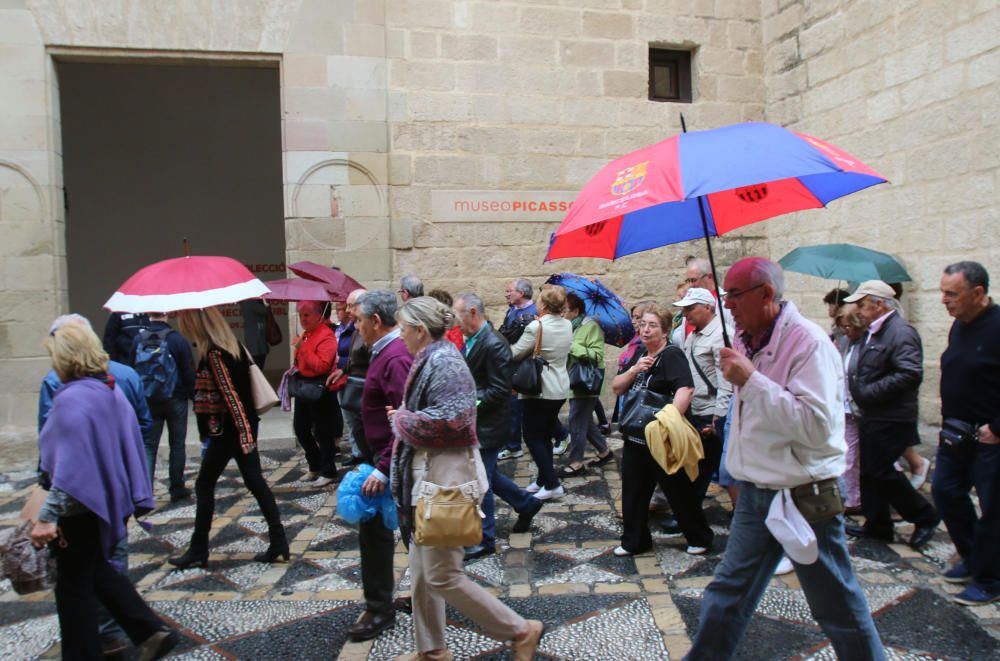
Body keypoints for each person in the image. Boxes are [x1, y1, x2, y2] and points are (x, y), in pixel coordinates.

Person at [685, 257, 883, 660]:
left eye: (735, 295)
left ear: (767, 294)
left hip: (806, 494)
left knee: (837, 607)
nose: (729, 304)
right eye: (725, 295)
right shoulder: (742, 338)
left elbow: (815, 425)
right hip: (758, 490)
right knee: (726, 596)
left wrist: (750, 380)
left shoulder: (809, 342)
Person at [389, 296, 544, 661]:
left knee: (442, 575)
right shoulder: (432, 356)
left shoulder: (443, 361)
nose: (400, 336)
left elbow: (452, 421)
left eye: (403, 329)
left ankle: (521, 630)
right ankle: (432, 650)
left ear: (420, 331)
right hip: (428, 476)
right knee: (422, 571)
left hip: (445, 479)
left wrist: (402, 419)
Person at [30, 322, 180, 660]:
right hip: (105, 499)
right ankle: (149, 630)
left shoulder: (72, 400)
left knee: (73, 591)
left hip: (79, 505)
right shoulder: (107, 390)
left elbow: (69, 470)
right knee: (94, 573)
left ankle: (86, 652)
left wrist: (47, 516)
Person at [168, 307, 288, 568]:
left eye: (184, 320)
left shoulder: (214, 354)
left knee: (204, 484)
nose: (181, 324)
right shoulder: (229, 346)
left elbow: (232, 397)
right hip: (236, 429)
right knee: (254, 481)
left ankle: (199, 549)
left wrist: (244, 435)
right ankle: (279, 540)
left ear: (195, 322)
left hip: (229, 432)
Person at [843, 280, 939, 548]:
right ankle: (877, 524)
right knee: (870, 471)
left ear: (879, 304)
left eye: (862, 304)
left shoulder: (900, 331)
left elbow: (909, 373)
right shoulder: (876, 331)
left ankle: (924, 515)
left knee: (882, 471)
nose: (859, 310)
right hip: (872, 413)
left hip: (890, 415)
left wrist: (869, 391)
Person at [612, 304, 710, 556]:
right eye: (642, 324)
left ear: (666, 331)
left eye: (652, 325)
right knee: (633, 491)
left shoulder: (671, 355)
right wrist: (634, 370)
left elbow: (685, 389)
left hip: (661, 436)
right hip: (636, 436)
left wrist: (668, 423)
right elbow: (617, 387)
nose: (645, 329)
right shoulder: (639, 355)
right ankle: (634, 541)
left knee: (677, 490)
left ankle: (699, 537)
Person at [454, 293, 544, 558]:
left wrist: (469, 402)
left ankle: (485, 538)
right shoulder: (471, 339)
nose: (454, 321)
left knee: (481, 480)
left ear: (472, 312)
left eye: (457, 314)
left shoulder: (494, 344)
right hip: (476, 423)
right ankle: (526, 503)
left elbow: (499, 390)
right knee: (488, 474)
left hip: (489, 425)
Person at [933, 261, 1000, 606]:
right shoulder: (959, 326)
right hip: (956, 434)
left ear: (978, 293)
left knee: (993, 511)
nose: (944, 300)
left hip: (990, 440)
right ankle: (975, 558)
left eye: (951, 293)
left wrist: (997, 428)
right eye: (943, 292)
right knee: (945, 493)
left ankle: (990, 579)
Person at [349, 289, 413, 642]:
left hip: (391, 463)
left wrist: (383, 467)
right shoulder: (385, 351)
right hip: (384, 459)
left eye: (359, 320)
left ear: (376, 321)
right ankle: (419, 594)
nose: (355, 326)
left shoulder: (395, 356)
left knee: (382, 532)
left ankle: (379, 609)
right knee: (408, 532)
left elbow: (405, 417)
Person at [510, 285, 573, 501]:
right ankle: (543, 479)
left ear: (544, 305)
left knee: (532, 435)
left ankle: (553, 484)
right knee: (544, 434)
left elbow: (516, 352)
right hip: (560, 387)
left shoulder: (536, 327)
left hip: (539, 389)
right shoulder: (567, 324)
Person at [129, 311, 197, 502]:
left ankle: (146, 492)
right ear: (167, 314)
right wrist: (194, 398)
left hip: (148, 400)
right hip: (175, 398)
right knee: (177, 444)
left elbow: (132, 370)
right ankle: (177, 488)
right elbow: (188, 373)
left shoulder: (137, 340)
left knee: (149, 446)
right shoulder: (177, 340)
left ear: (149, 314)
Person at [674, 288, 732, 502]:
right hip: (696, 407)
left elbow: (726, 380)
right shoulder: (695, 333)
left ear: (708, 307)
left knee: (704, 466)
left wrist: (720, 413)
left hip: (711, 411)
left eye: (691, 308)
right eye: (685, 308)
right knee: (698, 464)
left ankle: (691, 515)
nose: (686, 313)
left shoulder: (720, 335)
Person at [561, 292, 612, 476]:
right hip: (574, 381)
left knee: (576, 421)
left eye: (565, 309)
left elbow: (597, 355)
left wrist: (572, 346)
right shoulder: (570, 326)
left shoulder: (591, 327)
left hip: (586, 382)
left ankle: (576, 462)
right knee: (586, 422)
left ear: (576, 310)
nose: (562, 313)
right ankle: (604, 451)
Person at [291, 300, 339, 487]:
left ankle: (328, 471)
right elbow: (300, 362)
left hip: (319, 387)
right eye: (301, 315)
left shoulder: (326, 335)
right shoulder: (307, 334)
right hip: (304, 386)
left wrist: (301, 348)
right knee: (301, 428)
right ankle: (315, 465)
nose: (303, 319)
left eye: (306, 315)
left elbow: (321, 365)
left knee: (322, 431)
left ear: (318, 315)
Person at [498, 278, 538, 461]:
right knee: (512, 407)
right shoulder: (512, 310)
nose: (506, 294)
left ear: (521, 293)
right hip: (510, 364)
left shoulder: (535, 312)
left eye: (509, 291)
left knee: (521, 407)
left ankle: (560, 435)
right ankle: (513, 444)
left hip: (524, 367)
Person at [837, 303, 866, 513]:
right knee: (850, 453)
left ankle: (851, 499)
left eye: (849, 326)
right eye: (843, 326)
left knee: (851, 455)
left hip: (857, 406)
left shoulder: (865, 344)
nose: (846, 330)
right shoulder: (847, 342)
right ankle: (851, 497)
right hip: (846, 405)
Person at [333, 294, 364, 466]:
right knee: (351, 421)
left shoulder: (357, 330)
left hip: (358, 380)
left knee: (360, 421)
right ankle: (357, 452)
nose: (346, 310)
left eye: (350, 306)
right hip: (347, 378)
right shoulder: (348, 330)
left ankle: (364, 455)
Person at [239, 298, 272, 369]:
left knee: (257, 362)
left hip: (254, 339)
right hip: (256, 340)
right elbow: (265, 310)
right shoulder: (250, 302)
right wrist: (266, 302)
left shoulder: (246, 302)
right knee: (258, 364)